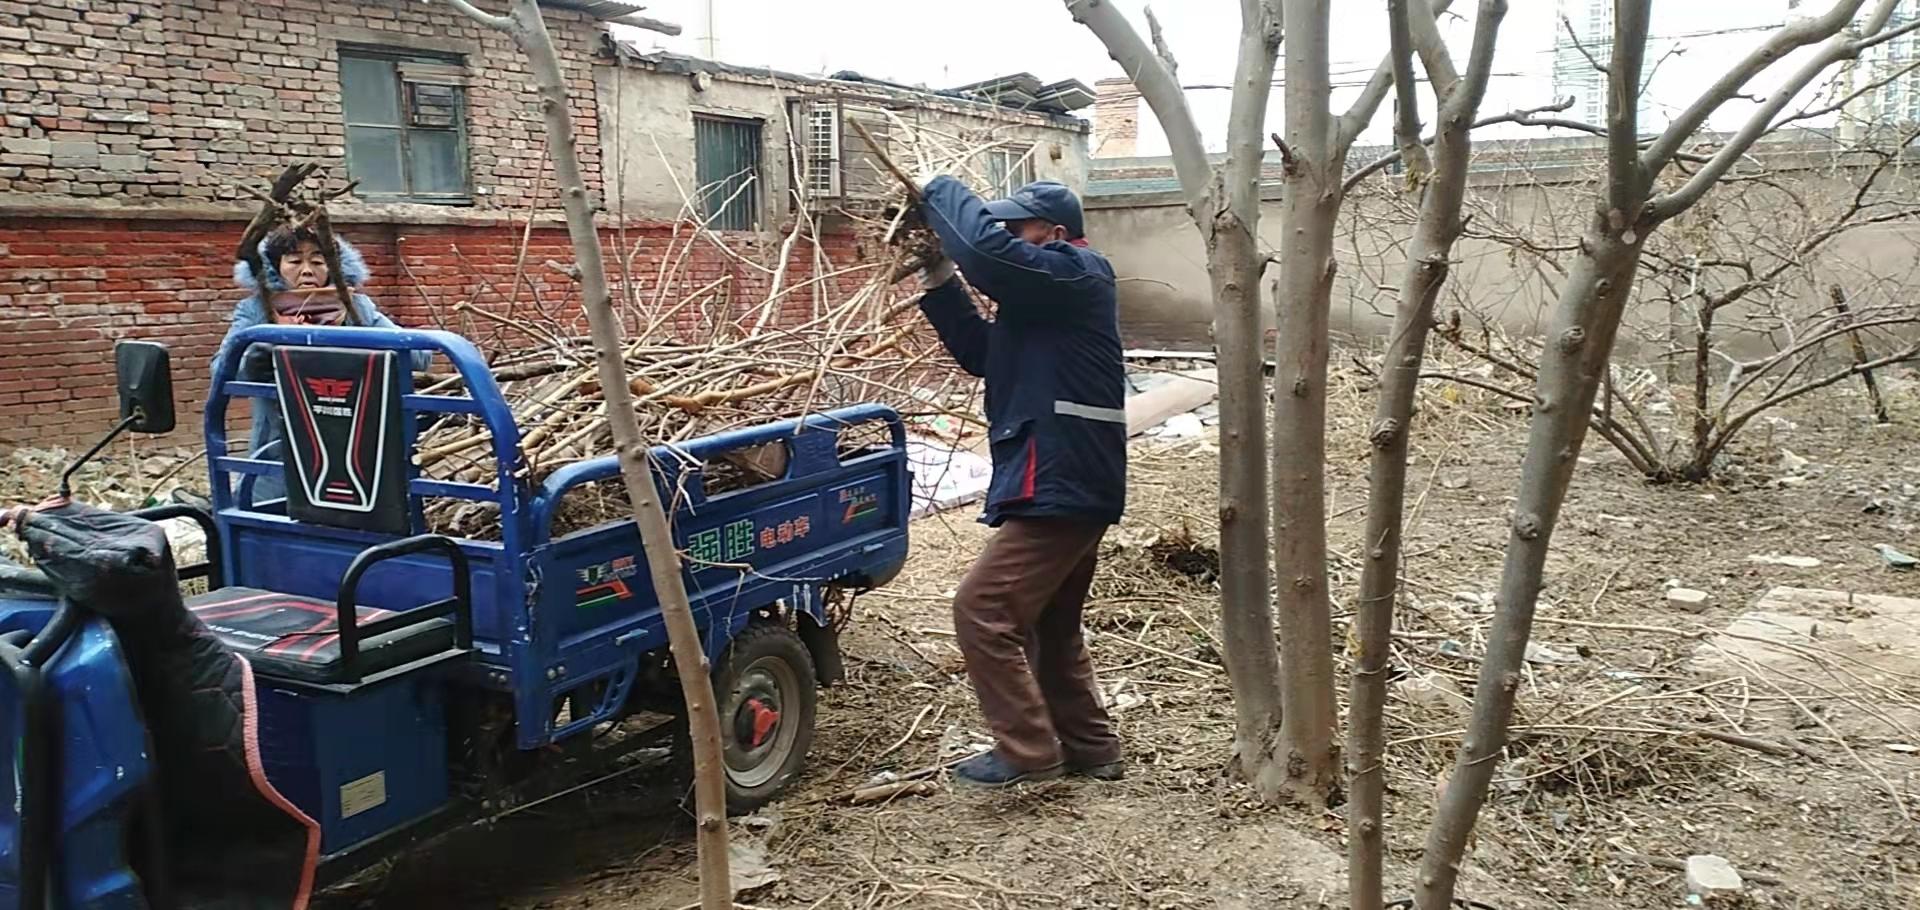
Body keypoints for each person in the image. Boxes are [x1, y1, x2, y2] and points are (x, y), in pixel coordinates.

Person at [914, 176, 1129, 787]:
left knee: (982, 610)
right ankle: (1091, 746)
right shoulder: (1043, 304)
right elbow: (984, 355)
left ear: (1056, 235)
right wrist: (939, 278)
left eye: (1018, 227)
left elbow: (987, 255)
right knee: (1050, 622)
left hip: (1063, 473)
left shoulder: (1078, 272)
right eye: (1002, 226)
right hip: (1067, 472)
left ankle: (1028, 749)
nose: (1007, 236)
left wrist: (940, 191)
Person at [217, 228, 427, 503]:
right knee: (267, 514)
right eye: (294, 261)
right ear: (274, 267)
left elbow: (419, 356)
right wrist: (254, 360)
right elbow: (222, 370)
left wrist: (359, 336)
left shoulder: (356, 307)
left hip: (355, 436)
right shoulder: (257, 310)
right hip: (280, 443)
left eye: (317, 261)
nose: (307, 271)